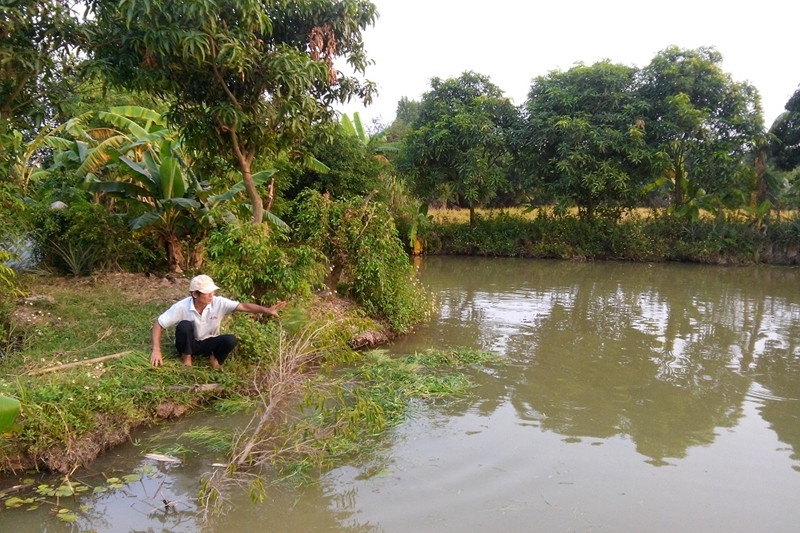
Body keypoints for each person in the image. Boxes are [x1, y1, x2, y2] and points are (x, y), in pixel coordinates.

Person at [150, 274, 287, 368]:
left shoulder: (219, 302)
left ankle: (215, 359)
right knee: (184, 325)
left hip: (208, 342)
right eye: (207, 292)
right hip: (187, 344)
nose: (211, 295)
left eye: (213, 292)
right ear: (195, 294)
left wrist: (267, 310)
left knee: (230, 339)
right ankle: (187, 359)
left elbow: (243, 306)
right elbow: (159, 324)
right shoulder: (181, 306)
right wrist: (156, 350)